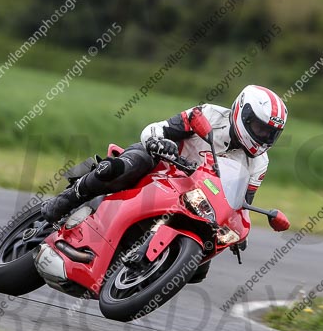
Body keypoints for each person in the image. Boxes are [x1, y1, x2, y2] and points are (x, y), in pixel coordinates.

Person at [41, 85, 288, 281]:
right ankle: (68, 199)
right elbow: (155, 129)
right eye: (258, 127)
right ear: (241, 113)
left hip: (197, 200)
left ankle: (143, 271)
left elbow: (241, 203)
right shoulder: (209, 115)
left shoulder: (259, 163)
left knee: (199, 269)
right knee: (126, 166)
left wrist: (239, 231)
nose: (263, 136)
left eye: (270, 133)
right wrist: (161, 142)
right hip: (162, 166)